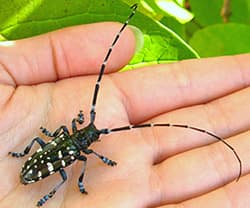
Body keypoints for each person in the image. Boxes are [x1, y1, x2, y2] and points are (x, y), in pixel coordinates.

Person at [0, 22, 249, 208]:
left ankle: (45, 183)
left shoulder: (70, 139)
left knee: (54, 156)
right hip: (36, 167)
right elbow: (75, 147)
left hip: (42, 163)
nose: (93, 136)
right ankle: (52, 192)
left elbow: (61, 136)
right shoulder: (80, 153)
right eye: (92, 136)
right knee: (63, 170)